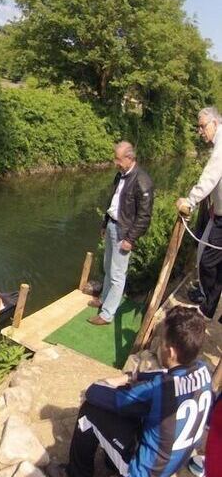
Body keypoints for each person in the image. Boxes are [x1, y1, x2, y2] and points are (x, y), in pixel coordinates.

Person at [49, 306, 212, 477]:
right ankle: (112, 462)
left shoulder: (158, 391)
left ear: (170, 351)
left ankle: (75, 473)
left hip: (143, 471)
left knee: (89, 411)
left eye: (162, 342)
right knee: (131, 406)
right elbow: (162, 375)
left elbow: (93, 392)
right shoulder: (203, 371)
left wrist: (105, 383)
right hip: (173, 464)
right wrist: (130, 377)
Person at [91, 141, 153, 326]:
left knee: (118, 274)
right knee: (108, 265)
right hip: (112, 224)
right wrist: (105, 223)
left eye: (118, 159)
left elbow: (144, 216)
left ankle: (107, 314)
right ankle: (103, 299)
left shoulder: (143, 181)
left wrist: (130, 238)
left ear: (130, 158)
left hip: (124, 231)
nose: (115, 162)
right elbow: (113, 202)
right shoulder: (120, 175)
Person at [177, 107, 222, 322]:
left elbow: (211, 175)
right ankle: (208, 306)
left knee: (206, 261)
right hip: (219, 215)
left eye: (203, 126)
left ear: (215, 123)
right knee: (214, 263)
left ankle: (207, 306)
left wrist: (190, 200)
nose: (200, 131)